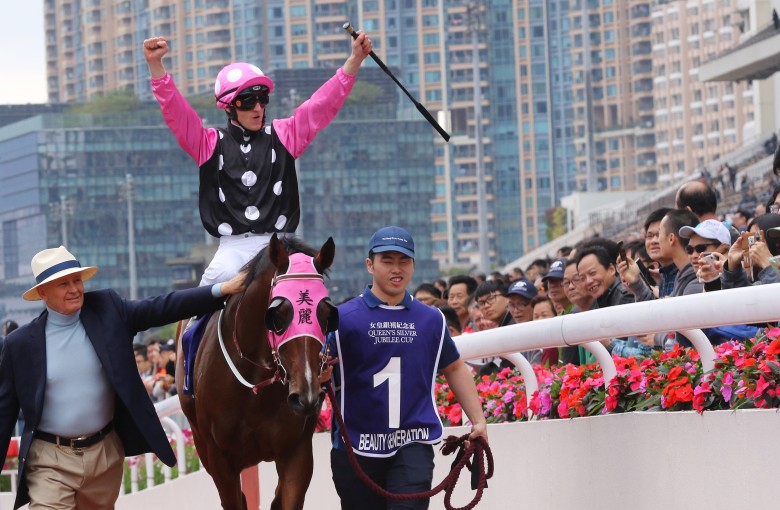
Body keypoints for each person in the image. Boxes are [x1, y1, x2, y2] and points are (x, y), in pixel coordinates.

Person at [0, 246, 246, 510]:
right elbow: (4, 413)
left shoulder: (108, 310)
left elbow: (163, 306)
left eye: (77, 280)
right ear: (43, 293)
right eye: (63, 284)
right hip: (50, 459)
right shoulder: (19, 345)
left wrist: (220, 290)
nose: (74, 289)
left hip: (104, 455)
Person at [143, 32, 373, 286]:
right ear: (228, 106)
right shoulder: (207, 143)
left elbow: (321, 105)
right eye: (247, 101)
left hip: (280, 247)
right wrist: (156, 66)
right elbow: (177, 113)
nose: (257, 108)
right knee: (201, 299)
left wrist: (353, 61)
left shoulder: (285, 135)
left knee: (312, 298)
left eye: (262, 99)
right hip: (232, 253)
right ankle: (190, 328)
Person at [328, 227, 487, 510]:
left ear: (413, 264)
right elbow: (318, 375)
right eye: (387, 260)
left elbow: (453, 367)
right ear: (370, 265)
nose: (396, 268)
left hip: (413, 443)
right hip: (356, 446)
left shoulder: (431, 320)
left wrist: (478, 421)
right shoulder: (342, 319)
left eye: (404, 261)